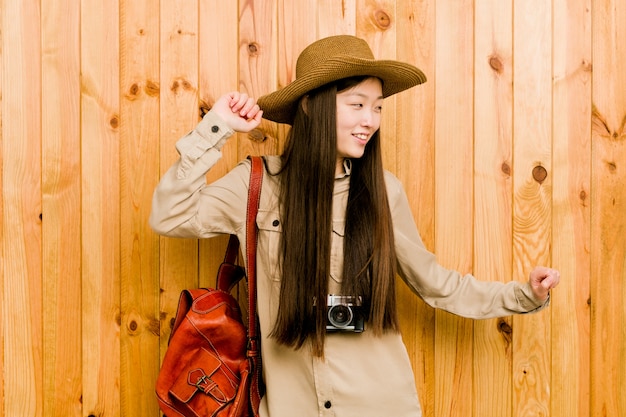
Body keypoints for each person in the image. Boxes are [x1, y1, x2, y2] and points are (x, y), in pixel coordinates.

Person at [150, 35, 560, 417]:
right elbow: (170, 215)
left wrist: (524, 294)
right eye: (357, 104)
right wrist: (216, 126)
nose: (371, 120)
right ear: (311, 106)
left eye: (378, 106)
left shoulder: (384, 192)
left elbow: (437, 284)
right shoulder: (257, 185)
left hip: (382, 403)